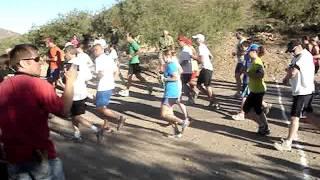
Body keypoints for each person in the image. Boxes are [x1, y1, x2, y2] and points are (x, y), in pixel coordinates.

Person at [0, 44, 77, 179]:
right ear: (23, 63)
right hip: (40, 158)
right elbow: (64, 111)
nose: (41, 63)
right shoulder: (38, 85)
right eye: (37, 59)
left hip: (13, 157)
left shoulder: (2, 86)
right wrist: (70, 81)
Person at [274, 40, 316, 151]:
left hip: (303, 91)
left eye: (293, 50)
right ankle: (290, 138)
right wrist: (287, 75)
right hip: (302, 91)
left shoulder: (304, 56)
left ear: (298, 46)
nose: (292, 53)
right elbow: (291, 69)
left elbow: (293, 72)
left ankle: (288, 142)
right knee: (309, 116)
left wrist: (287, 78)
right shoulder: (297, 56)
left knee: (294, 117)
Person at [63, 45, 104, 142]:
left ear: (69, 53)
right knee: (74, 115)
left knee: (76, 116)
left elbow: (68, 79)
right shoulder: (81, 62)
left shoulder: (70, 64)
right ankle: (77, 135)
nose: (64, 56)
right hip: (82, 91)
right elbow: (89, 76)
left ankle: (96, 130)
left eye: (65, 53)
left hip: (74, 92)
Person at [92, 44, 126, 132]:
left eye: (94, 50)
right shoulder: (109, 58)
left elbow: (100, 74)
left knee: (100, 107)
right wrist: (112, 80)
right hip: (109, 84)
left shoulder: (98, 60)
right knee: (104, 106)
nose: (93, 52)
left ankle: (119, 118)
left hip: (103, 86)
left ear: (97, 50)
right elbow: (116, 71)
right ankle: (106, 125)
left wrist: (95, 77)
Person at [241, 44, 270, 135]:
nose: (247, 53)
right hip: (255, 89)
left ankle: (262, 126)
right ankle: (265, 127)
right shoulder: (253, 61)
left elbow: (261, 75)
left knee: (247, 110)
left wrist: (247, 73)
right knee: (257, 110)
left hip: (257, 90)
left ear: (254, 52)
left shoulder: (257, 62)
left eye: (248, 51)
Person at [160, 49, 190, 138]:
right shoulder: (170, 65)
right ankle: (177, 132)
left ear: (166, 56)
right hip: (170, 91)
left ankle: (183, 122)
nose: (162, 59)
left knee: (164, 114)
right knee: (170, 114)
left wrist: (165, 79)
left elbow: (175, 77)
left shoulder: (170, 65)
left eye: (163, 57)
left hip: (171, 92)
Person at [118, 33, 152, 97]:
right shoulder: (130, 44)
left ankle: (127, 91)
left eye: (126, 36)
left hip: (135, 62)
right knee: (138, 76)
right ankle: (149, 87)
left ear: (130, 37)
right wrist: (126, 54)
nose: (125, 38)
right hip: (132, 62)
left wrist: (132, 55)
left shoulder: (134, 43)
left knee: (129, 76)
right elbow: (131, 52)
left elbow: (139, 51)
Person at [192, 34, 220, 108]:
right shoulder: (204, 46)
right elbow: (211, 56)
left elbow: (201, 59)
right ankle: (212, 100)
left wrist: (194, 57)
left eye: (196, 39)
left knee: (207, 86)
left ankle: (215, 102)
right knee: (199, 85)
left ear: (199, 40)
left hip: (206, 68)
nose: (195, 41)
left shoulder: (201, 47)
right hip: (206, 67)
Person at [233, 32, 247, 97]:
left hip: (243, 61)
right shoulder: (240, 41)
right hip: (240, 61)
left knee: (237, 75)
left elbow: (245, 52)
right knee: (238, 76)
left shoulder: (243, 41)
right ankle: (240, 92)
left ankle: (240, 92)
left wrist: (236, 54)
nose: (236, 35)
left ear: (241, 34)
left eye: (237, 34)